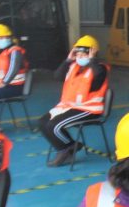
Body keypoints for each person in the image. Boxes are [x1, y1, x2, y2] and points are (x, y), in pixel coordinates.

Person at [39, 35, 110, 167]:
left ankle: (64, 150)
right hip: (68, 106)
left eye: (84, 53)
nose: (80, 56)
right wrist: (67, 60)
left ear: (92, 53)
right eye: (78, 53)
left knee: (54, 125)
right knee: (42, 123)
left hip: (88, 109)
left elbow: (98, 78)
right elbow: (57, 76)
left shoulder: (100, 68)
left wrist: (92, 60)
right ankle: (71, 146)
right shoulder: (73, 67)